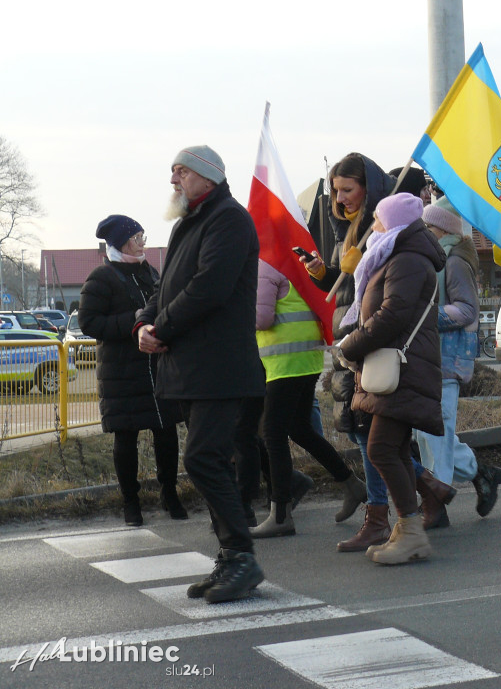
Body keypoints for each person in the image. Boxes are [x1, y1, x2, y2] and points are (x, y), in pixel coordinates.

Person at [136, 146, 265, 604]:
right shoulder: (186, 225)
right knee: (211, 460)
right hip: (193, 368)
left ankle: (242, 556)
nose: (173, 179)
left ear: (207, 178)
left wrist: (163, 328)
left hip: (219, 366)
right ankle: (231, 556)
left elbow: (208, 287)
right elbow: (164, 289)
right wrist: (143, 325)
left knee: (203, 458)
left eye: (182, 171)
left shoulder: (229, 219)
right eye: (172, 171)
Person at [337, 193, 446, 565]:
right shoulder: (397, 256)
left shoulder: (408, 259)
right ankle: (407, 527)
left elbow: (393, 315)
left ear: (395, 223)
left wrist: (350, 346)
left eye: (379, 220)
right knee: (392, 449)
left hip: (403, 367)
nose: (374, 227)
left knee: (380, 448)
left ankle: (412, 531)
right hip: (401, 366)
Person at [303, 153, 396, 552]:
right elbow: (345, 288)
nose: (340, 199)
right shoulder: (346, 227)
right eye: (336, 191)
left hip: (365, 336)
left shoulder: (382, 225)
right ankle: (429, 490)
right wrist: (323, 272)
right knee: (364, 432)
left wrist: (361, 267)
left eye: (348, 189)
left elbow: (380, 286)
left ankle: (380, 514)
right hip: (349, 334)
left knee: (368, 432)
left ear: (368, 187)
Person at [79, 215, 186, 526]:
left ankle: (170, 493)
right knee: (126, 438)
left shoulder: (150, 272)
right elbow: (89, 323)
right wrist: (134, 321)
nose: (142, 243)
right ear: (121, 243)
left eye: (142, 236)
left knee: (166, 433)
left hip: (157, 367)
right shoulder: (101, 277)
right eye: (137, 238)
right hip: (122, 373)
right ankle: (131, 502)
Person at [249, 260, 367, 538]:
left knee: (272, 433)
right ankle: (351, 484)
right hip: (305, 358)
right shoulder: (288, 264)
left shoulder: (264, 266)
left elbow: (261, 319)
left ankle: (280, 515)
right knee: (299, 429)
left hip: (285, 361)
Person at [412, 197, 501, 529]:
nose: (422, 231)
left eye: (428, 226)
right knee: (428, 434)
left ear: (444, 229)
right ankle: (482, 474)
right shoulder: (437, 259)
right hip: (428, 359)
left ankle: (436, 506)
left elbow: (467, 310)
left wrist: (423, 317)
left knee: (438, 431)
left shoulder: (454, 263)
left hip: (447, 361)